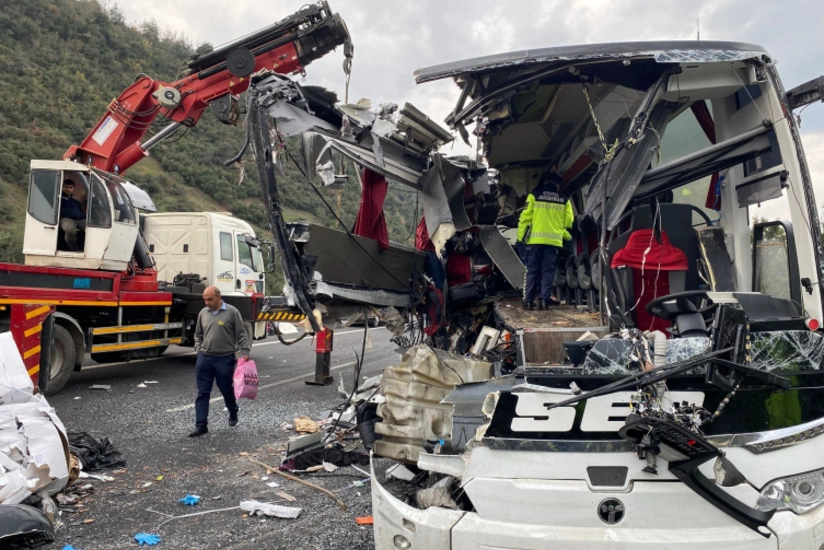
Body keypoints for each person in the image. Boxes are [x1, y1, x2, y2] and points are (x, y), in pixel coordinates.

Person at [189, 286, 251, 437]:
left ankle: (233, 411)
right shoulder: (203, 313)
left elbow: (241, 334)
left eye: (210, 299)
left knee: (225, 389)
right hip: (205, 358)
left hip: (225, 358)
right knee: (203, 392)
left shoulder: (232, 312)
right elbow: (198, 334)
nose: (207, 302)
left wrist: (245, 352)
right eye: (205, 299)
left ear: (219, 297)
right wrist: (198, 348)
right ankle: (201, 425)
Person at [517, 172, 573, 310]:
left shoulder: (534, 195)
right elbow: (568, 221)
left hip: (534, 241)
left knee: (531, 271)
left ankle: (528, 301)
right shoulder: (564, 199)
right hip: (553, 242)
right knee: (548, 271)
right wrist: (561, 232)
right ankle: (544, 300)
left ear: (545, 182)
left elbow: (525, 218)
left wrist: (520, 237)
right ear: (558, 185)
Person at [59, 179, 86, 251]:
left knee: (92, 227)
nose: (68, 189)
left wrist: (80, 216)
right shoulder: (59, 199)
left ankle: (86, 248)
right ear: (62, 187)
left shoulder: (76, 202)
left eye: (70, 187)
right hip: (65, 219)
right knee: (70, 230)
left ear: (73, 189)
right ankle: (74, 249)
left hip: (78, 219)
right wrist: (75, 214)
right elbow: (61, 211)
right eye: (66, 187)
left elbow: (81, 214)